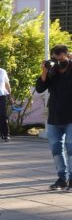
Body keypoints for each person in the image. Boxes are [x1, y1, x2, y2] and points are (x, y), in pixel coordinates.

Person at [35, 44, 72, 191]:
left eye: (61, 59)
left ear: (68, 56)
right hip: (54, 117)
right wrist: (44, 71)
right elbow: (39, 88)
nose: (58, 63)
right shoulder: (52, 71)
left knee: (71, 149)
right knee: (56, 150)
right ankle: (62, 178)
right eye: (55, 59)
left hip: (71, 117)